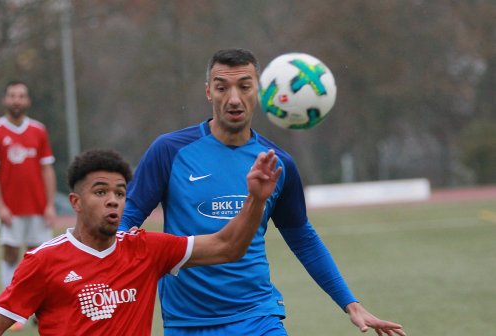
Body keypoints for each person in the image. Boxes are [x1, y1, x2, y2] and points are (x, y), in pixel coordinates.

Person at [119, 48, 406, 336]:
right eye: (222, 87)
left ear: (260, 92)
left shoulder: (278, 164)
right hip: (187, 323)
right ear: (209, 92)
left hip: (258, 317)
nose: (234, 98)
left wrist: (350, 303)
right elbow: (126, 218)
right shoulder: (169, 151)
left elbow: (303, 238)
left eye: (244, 86)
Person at [0, 147, 282, 335]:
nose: (113, 201)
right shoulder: (43, 261)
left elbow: (228, 246)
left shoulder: (145, 249)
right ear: (75, 201)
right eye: (100, 192)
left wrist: (255, 199)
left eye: (120, 193)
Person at [0, 81, 57, 330]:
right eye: (12, 95)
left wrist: (49, 205)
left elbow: (47, 168)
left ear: (27, 101)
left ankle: (39, 307)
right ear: (5, 100)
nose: (17, 100)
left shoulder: (38, 130)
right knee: (11, 253)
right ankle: (11, 309)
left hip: (37, 207)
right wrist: (0, 206)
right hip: (11, 209)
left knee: (40, 257)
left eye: (21, 96)